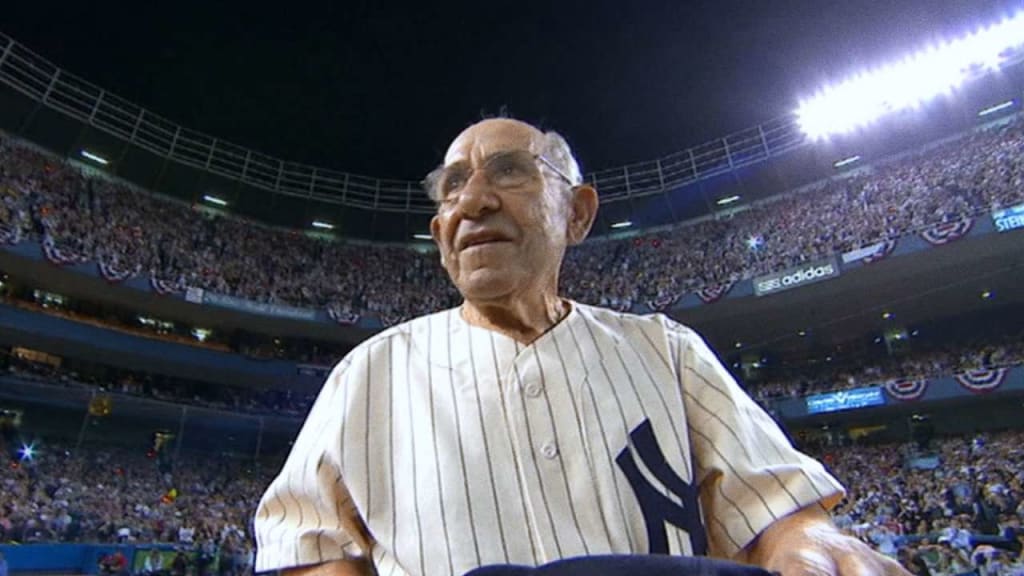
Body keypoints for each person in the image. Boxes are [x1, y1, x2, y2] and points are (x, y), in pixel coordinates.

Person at [253, 118, 910, 576]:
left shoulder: (667, 350)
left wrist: (815, 545)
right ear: (439, 232)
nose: (473, 200)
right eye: (453, 186)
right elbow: (310, 542)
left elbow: (777, 513)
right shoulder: (370, 372)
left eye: (508, 173)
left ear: (578, 212)